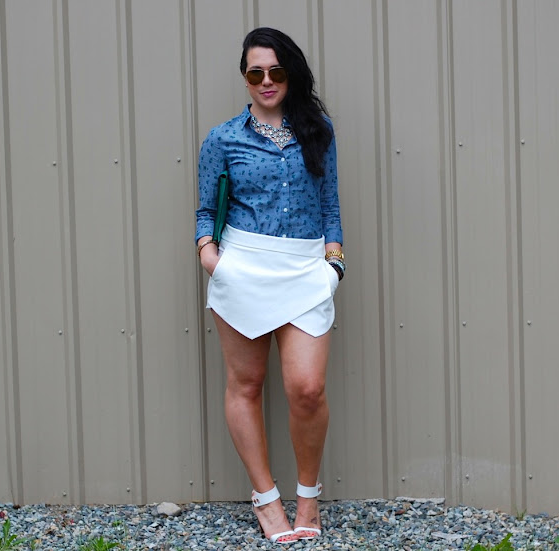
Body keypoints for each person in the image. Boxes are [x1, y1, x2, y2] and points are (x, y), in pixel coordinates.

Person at [195, 27, 345, 544]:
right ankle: (266, 502)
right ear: (244, 75)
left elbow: (330, 208)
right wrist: (212, 258)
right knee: (248, 385)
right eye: (255, 72)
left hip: (305, 270)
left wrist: (334, 265)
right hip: (243, 270)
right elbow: (204, 210)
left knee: (307, 388)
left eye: (276, 71)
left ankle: (308, 496)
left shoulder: (317, 129)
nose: (265, 81)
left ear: (291, 74)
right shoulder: (222, 138)